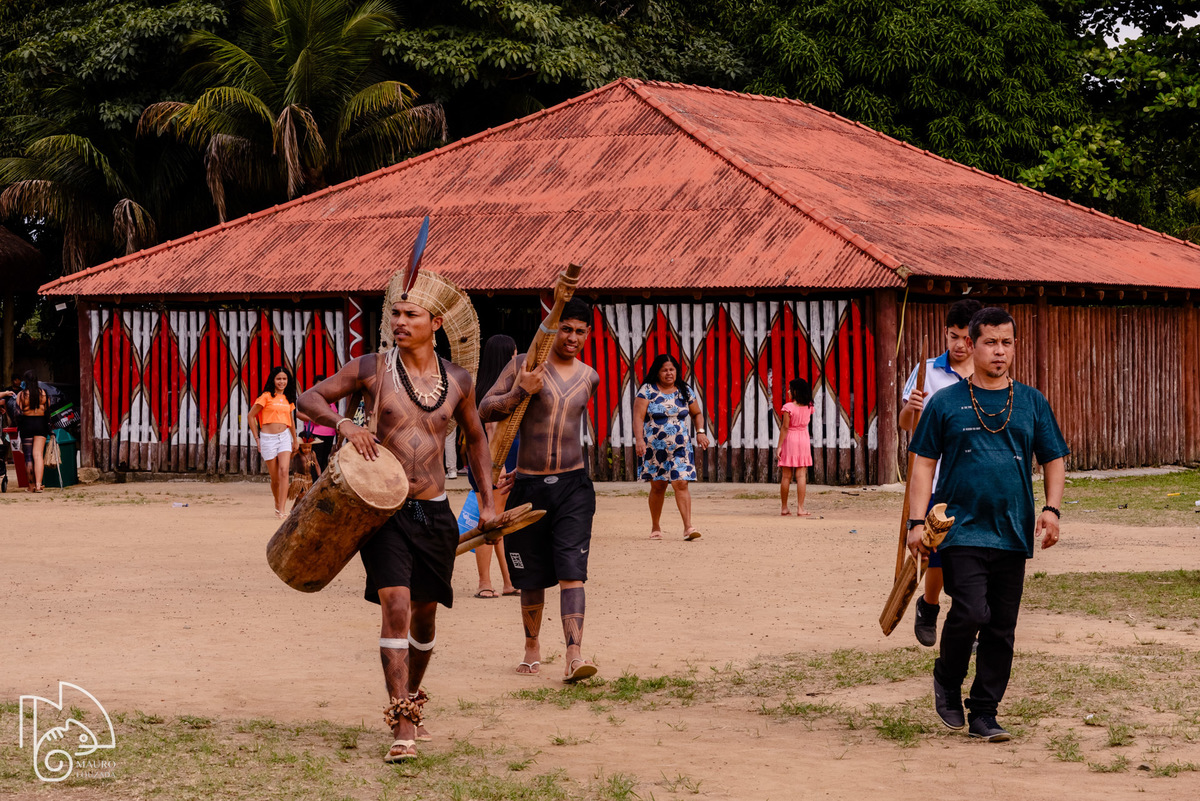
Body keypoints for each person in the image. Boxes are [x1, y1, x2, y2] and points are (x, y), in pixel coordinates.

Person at [299, 264, 493, 763]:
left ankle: (413, 702)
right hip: (382, 513)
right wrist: (345, 424)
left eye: (412, 314)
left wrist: (489, 501)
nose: (400, 321)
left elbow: (475, 439)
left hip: (435, 510)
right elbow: (308, 398)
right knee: (397, 606)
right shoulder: (370, 368)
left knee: (425, 619)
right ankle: (402, 722)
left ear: (437, 324)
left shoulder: (459, 380)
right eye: (395, 313)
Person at [907, 306, 1068, 742]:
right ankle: (947, 676)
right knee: (973, 610)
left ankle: (984, 713)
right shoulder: (945, 402)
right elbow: (923, 464)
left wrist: (1052, 510)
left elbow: (1053, 457)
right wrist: (916, 522)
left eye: (1007, 343)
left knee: (1001, 626)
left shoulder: (1031, 401)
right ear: (971, 347)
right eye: (990, 343)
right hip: (959, 526)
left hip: (1012, 529)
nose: (999, 351)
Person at [479, 298, 600, 682]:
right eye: (566, 328)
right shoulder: (523, 366)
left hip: (573, 486)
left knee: (572, 571)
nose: (573, 337)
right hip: (529, 486)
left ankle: (574, 654)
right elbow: (485, 408)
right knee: (529, 578)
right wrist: (520, 391)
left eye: (581, 331)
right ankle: (532, 647)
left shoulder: (589, 377)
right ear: (552, 328)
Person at [899, 297, 982, 646]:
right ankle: (929, 606)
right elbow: (905, 424)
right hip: (934, 475)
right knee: (936, 550)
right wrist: (912, 408)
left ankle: (972, 618)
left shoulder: (988, 370)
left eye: (966, 338)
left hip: (975, 475)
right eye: (952, 337)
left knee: (977, 550)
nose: (959, 345)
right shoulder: (927, 371)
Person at [633, 353, 709, 540]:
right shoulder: (647, 390)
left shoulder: (685, 390)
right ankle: (656, 527)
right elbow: (638, 418)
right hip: (654, 448)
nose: (669, 373)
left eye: (672, 369)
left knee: (681, 482)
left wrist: (700, 431)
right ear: (657, 372)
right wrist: (639, 440)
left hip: (680, 446)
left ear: (677, 371)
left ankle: (688, 528)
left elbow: (697, 413)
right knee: (658, 486)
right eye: (664, 370)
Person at [466, 334, 520, 598]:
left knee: (499, 522)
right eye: (514, 355)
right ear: (506, 357)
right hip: (497, 462)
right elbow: (491, 428)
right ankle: (484, 582)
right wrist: (499, 469)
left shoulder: (480, 388)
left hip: (491, 461)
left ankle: (508, 581)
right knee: (490, 521)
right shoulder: (499, 392)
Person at [249, 367, 300, 519]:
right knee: (275, 478)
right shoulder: (265, 397)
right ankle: (277, 502)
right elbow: (251, 416)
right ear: (273, 380)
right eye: (279, 379)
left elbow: (291, 420)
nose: (282, 382)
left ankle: (282, 510)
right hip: (268, 438)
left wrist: (295, 439)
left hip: (284, 437)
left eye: (284, 379)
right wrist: (257, 438)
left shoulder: (288, 399)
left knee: (284, 471)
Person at [777, 378, 814, 516]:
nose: (788, 391)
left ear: (795, 391)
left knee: (786, 476)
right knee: (801, 475)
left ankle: (785, 507)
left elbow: (785, 427)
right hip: (803, 439)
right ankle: (800, 508)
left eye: (790, 389)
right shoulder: (809, 406)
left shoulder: (788, 408)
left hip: (790, 439)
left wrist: (779, 446)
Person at [15, 370, 49, 492]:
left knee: (28, 456)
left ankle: (31, 486)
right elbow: (47, 411)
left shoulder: (22, 395)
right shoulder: (44, 393)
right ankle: (39, 485)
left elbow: (17, 413)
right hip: (41, 424)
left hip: (27, 424)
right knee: (38, 455)